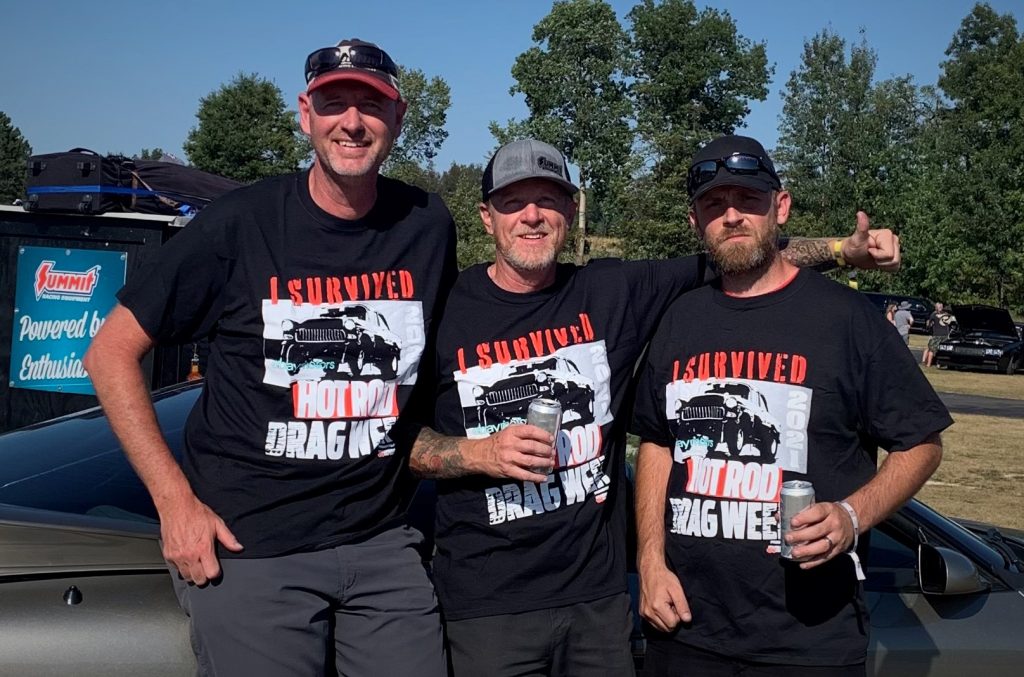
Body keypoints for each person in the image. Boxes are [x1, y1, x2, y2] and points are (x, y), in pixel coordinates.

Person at [407, 138, 901, 676]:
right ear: (486, 217)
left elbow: (735, 247)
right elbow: (393, 442)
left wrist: (840, 251)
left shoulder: (613, 290)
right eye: (512, 202)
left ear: (570, 211)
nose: (532, 216)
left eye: (548, 200)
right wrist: (479, 452)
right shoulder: (444, 310)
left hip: (597, 600)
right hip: (486, 605)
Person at [84, 39, 454, 677]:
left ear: (396, 119)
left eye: (372, 105)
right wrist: (175, 502)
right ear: (306, 114)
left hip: (382, 541)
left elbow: (432, 366)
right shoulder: (241, 223)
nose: (353, 122)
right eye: (335, 103)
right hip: (251, 546)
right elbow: (110, 353)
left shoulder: (426, 225)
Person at [632, 135, 951, 677]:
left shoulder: (847, 320)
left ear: (780, 207)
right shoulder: (680, 319)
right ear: (694, 221)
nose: (731, 216)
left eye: (748, 201)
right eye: (714, 204)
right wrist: (650, 560)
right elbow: (659, 441)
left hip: (808, 640)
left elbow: (921, 442)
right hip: (684, 629)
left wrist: (853, 516)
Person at [922, 302, 956, 367]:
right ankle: (937, 364)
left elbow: (929, 325)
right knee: (939, 350)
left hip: (938, 335)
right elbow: (952, 323)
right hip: (943, 335)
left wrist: (929, 328)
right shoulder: (947, 315)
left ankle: (930, 364)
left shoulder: (934, 315)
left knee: (932, 349)